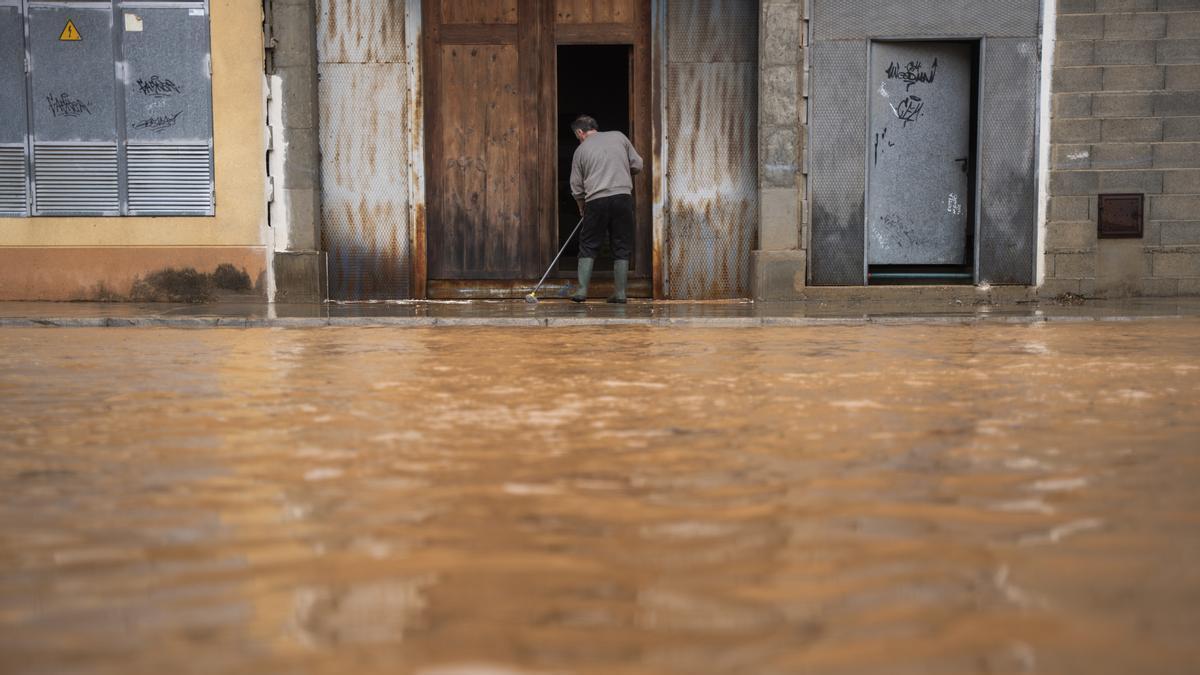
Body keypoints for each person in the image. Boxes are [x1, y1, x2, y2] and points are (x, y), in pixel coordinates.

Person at [568, 115, 642, 303]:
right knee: (621, 244)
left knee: (588, 244)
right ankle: (620, 293)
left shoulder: (581, 150)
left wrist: (581, 207)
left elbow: (576, 187)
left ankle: (582, 291)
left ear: (580, 132)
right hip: (622, 197)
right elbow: (637, 164)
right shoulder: (619, 137)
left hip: (596, 200)